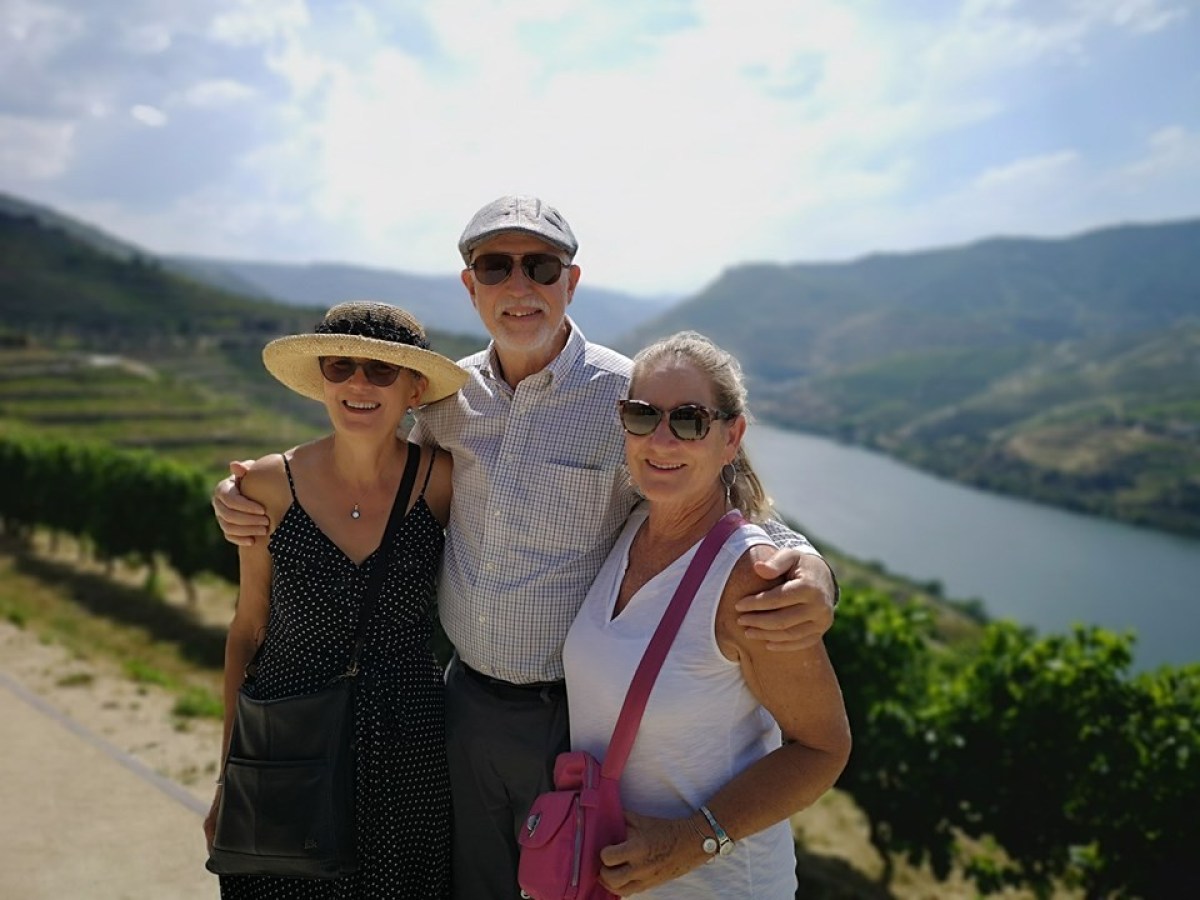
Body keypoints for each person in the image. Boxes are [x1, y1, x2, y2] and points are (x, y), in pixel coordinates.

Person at [213, 196, 840, 900]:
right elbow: (376, 470)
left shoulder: (624, 395)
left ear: (570, 283)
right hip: (460, 704)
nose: (519, 285)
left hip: (569, 719)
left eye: (540, 266)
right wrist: (250, 492)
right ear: (470, 286)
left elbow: (715, 485)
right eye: (495, 265)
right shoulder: (447, 399)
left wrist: (808, 565)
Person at [564, 331, 851, 898]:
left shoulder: (750, 578)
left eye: (690, 420)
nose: (662, 439)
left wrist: (695, 839)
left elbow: (822, 748)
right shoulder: (627, 530)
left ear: (731, 437)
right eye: (642, 416)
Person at [203, 301, 468, 899]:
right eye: (340, 366)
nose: (357, 384)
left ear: (414, 389)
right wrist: (230, 780)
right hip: (288, 745)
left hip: (409, 748)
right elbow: (247, 630)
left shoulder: (445, 480)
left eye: (380, 372)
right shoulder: (269, 484)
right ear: (321, 379)